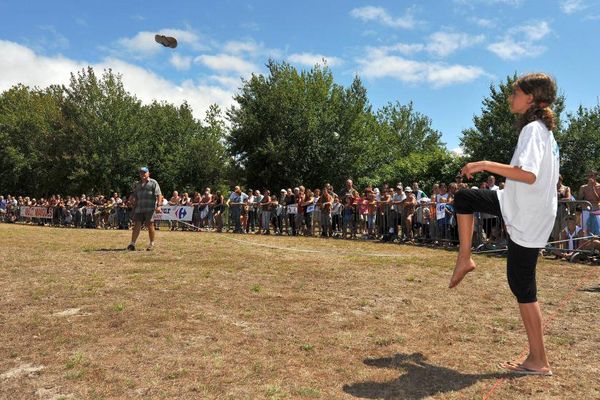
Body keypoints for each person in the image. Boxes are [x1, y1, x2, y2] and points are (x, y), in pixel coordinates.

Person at [449, 73, 559, 376]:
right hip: (524, 208)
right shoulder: (543, 133)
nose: (511, 96)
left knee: (523, 286)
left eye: (515, 92)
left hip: (525, 213)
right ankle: (464, 258)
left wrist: (483, 164)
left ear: (531, 99)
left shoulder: (535, 131)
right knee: (465, 199)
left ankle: (539, 361)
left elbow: (528, 175)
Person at [128, 167, 163, 251]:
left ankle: (151, 244)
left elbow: (159, 195)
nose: (142, 174)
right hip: (139, 208)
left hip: (149, 208)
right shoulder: (137, 184)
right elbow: (135, 197)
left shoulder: (153, 182)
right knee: (136, 225)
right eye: (141, 173)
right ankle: (132, 244)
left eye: (144, 172)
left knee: (150, 225)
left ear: (148, 173)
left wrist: (158, 206)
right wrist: (132, 204)